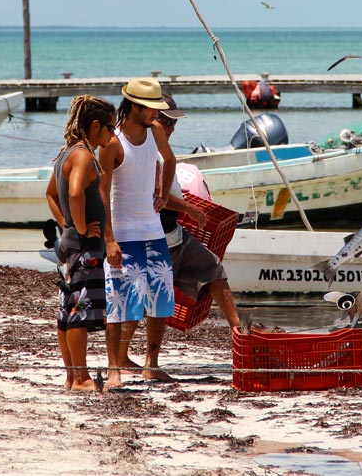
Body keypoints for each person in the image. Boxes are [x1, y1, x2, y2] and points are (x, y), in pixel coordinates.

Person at [98, 77, 176, 390]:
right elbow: (102, 194)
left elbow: (170, 159)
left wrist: (165, 194)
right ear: (134, 107)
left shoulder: (155, 130)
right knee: (120, 303)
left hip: (153, 230)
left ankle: (151, 364)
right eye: (151, 109)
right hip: (124, 233)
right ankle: (114, 369)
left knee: (161, 300)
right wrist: (109, 240)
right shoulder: (114, 143)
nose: (157, 114)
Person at [45, 95, 117, 391]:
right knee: (79, 312)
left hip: (68, 247)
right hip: (83, 249)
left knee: (66, 312)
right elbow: (74, 193)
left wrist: (66, 225)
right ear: (96, 126)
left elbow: (50, 194)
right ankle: (82, 378)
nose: (112, 134)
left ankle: (71, 376)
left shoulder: (67, 153)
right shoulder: (84, 155)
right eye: (110, 128)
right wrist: (83, 228)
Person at [153, 93, 242, 330]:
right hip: (156, 239)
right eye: (167, 122)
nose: (172, 128)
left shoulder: (163, 150)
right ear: (153, 118)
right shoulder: (146, 150)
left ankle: (238, 330)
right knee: (155, 303)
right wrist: (190, 209)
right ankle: (125, 358)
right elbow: (157, 196)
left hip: (176, 235)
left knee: (213, 268)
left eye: (175, 122)